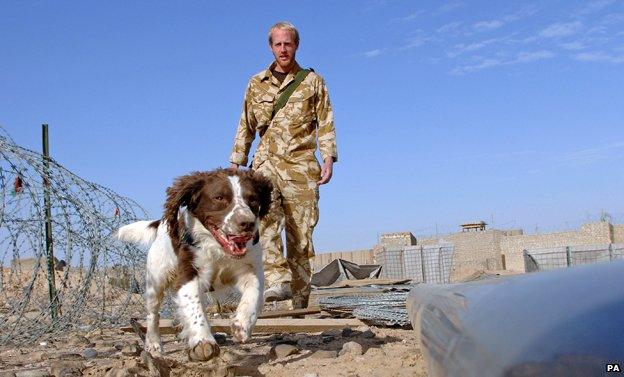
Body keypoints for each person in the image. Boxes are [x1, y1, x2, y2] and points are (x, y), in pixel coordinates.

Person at [229, 21, 337, 309]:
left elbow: (325, 123)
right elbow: (246, 125)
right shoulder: (256, 84)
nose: (283, 49)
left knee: (301, 241)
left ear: (296, 46)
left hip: (301, 169)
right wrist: (237, 162)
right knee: (265, 220)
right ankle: (277, 280)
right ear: (270, 47)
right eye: (277, 44)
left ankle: (300, 305)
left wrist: (328, 159)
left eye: (287, 43)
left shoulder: (312, 82)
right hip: (266, 165)